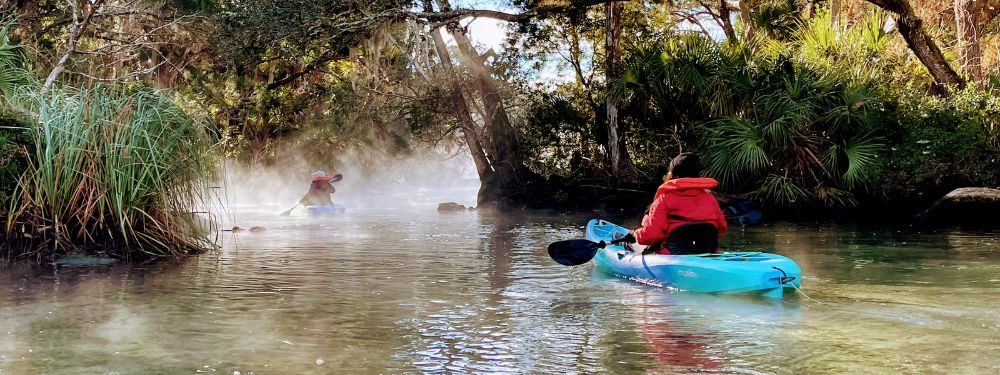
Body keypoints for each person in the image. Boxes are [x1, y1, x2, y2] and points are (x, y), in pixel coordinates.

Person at [620, 153, 728, 255]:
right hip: (706, 252)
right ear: (697, 175)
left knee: (630, 242)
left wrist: (635, 235)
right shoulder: (710, 199)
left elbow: (652, 234)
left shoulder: (663, 199)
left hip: (672, 255)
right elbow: (721, 229)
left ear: (672, 174)